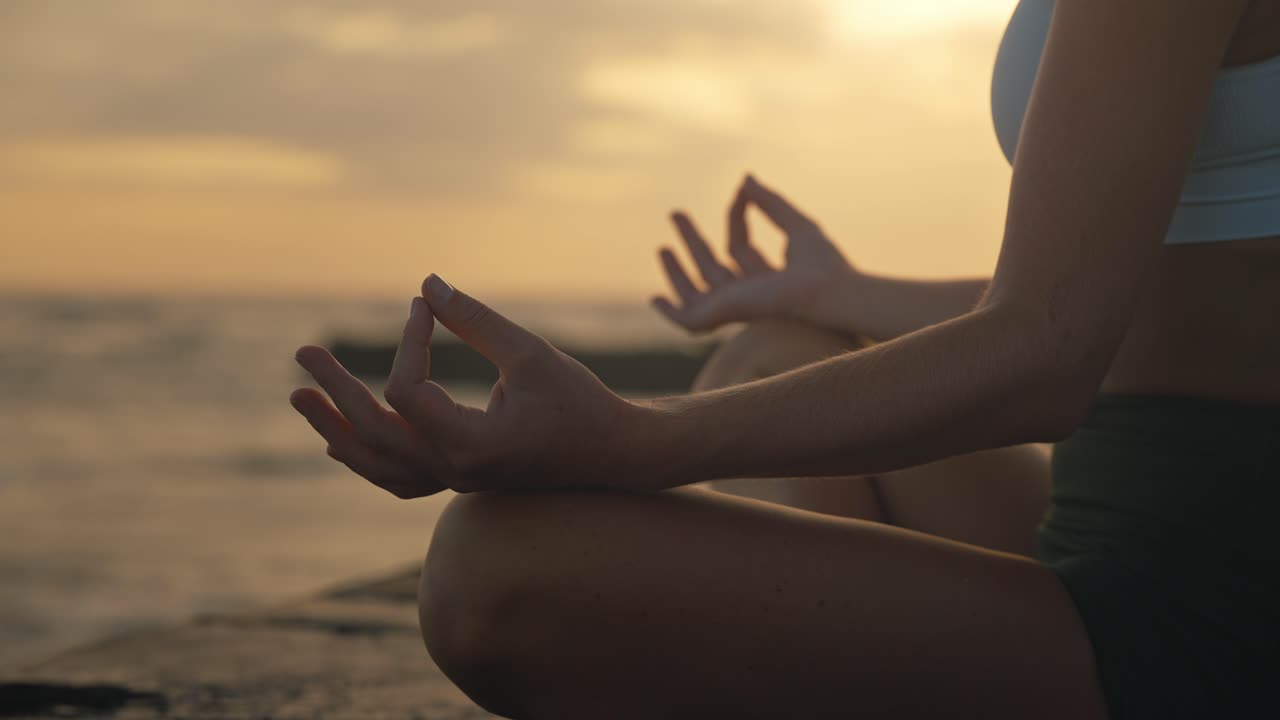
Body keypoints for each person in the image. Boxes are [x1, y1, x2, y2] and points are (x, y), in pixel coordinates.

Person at [289, 0, 1280, 717]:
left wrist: (627, 438)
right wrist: (834, 295)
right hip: (1122, 519)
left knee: (489, 571)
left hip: (1204, 612)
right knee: (774, 350)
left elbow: (1048, 357)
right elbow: (1106, 301)